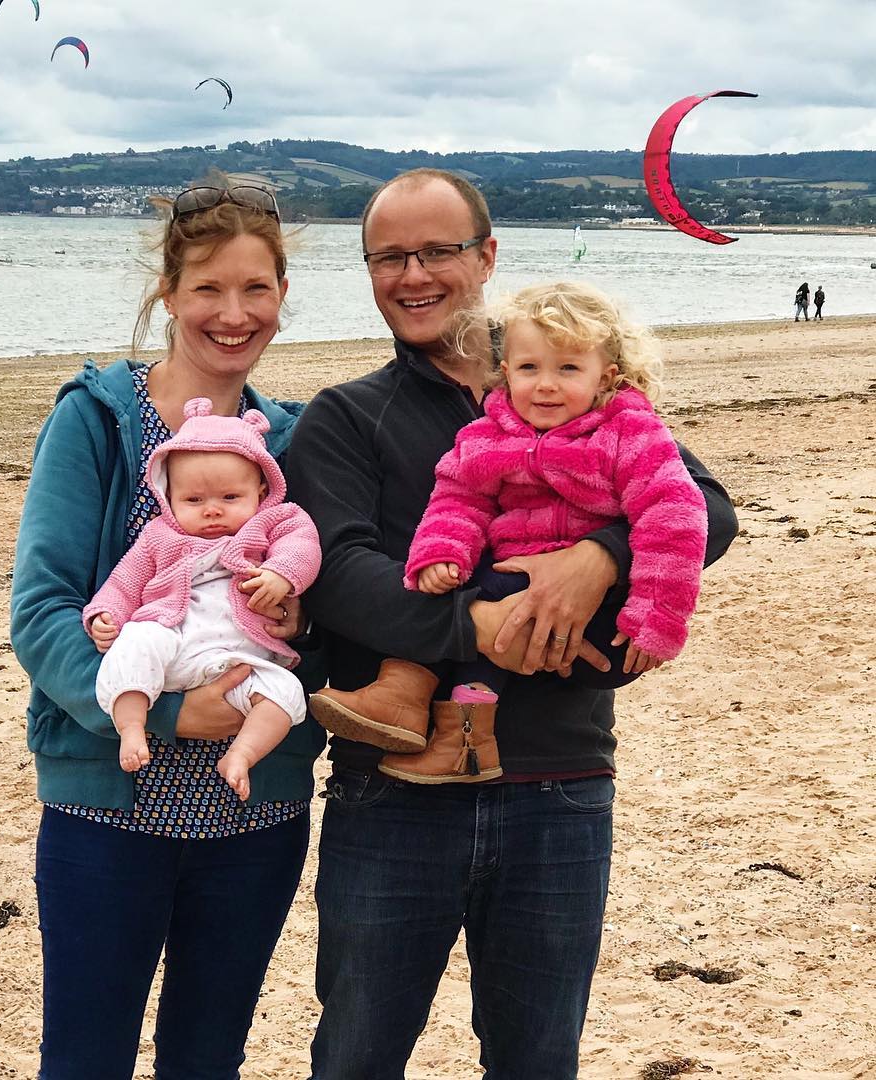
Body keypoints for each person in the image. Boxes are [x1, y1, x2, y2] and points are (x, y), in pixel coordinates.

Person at [285, 168, 738, 1079]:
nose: (412, 275)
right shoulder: (347, 416)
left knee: (537, 1059)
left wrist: (599, 557)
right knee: (356, 1056)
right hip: (393, 789)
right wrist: (477, 626)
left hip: (560, 782)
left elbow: (708, 508)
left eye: (436, 251)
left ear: (486, 256)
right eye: (387, 257)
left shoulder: (578, 386)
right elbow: (337, 573)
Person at [10, 184, 326, 1080]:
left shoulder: (294, 440)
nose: (234, 315)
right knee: (84, 1059)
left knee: (208, 1058)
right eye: (208, 290)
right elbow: (41, 610)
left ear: (282, 293)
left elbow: (331, 606)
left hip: (257, 806)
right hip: (105, 802)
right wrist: (166, 713)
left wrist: (299, 612)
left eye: (257, 290)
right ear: (168, 290)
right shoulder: (97, 421)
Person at [309, 280, 708, 785]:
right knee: (465, 586)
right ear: (504, 373)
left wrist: (654, 611)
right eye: (529, 368)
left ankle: (411, 696)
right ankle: (450, 728)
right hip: (513, 577)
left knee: (500, 593)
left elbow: (676, 513)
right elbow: (459, 495)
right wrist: (442, 551)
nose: (545, 385)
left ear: (606, 377)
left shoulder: (628, 432)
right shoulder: (489, 434)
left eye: (567, 369)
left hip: (608, 626)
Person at [83, 397, 321, 799]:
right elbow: (126, 580)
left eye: (230, 498)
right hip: (171, 642)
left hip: (239, 657)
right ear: (168, 496)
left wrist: (283, 574)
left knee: (286, 693)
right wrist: (105, 613)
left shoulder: (277, 520)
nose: (212, 511)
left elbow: (304, 545)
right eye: (194, 501)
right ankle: (130, 726)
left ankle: (241, 754)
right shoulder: (160, 535)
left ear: (262, 491)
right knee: (135, 643)